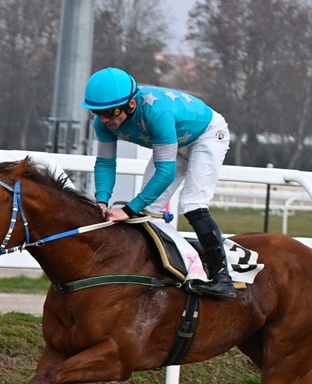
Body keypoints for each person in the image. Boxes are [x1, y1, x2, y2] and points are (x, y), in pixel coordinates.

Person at [81, 67, 235, 299]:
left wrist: (127, 210)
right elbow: (105, 163)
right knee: (147, 212)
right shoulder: (103, 123)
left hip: (207, 135)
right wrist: (101, 200)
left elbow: (165, 172)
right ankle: (168, 268)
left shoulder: (156, 113)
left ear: (131, 104)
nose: (104, 119)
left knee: (192, 205)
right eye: (97, 112)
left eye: (110, 112)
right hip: (174, 141)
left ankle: (223, 278)